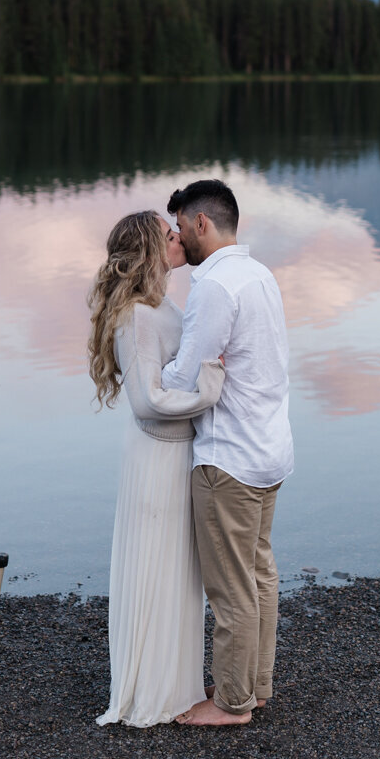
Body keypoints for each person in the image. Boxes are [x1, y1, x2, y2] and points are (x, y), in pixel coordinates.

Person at [161, 178, 293, 728]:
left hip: (229, 458)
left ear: (201, 224)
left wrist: (150, 371)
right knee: (258, 575)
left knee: (231, 589)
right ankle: (254, 686)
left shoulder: (213, 288)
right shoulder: (259, 274)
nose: (177, 238)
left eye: (178, 227)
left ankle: (232, 703)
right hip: (269, 450)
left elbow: (184, 376)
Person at [89, 209, 225, 727]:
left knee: (177, 572)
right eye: (170, 236)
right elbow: (147, 402)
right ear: (150, 249)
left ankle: (178, 682)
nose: (180, 239)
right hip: (157, 456)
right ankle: (153, 692)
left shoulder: (160, 302)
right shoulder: (138, 316)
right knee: (159, 569)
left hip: (175, 453)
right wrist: (207, 392)